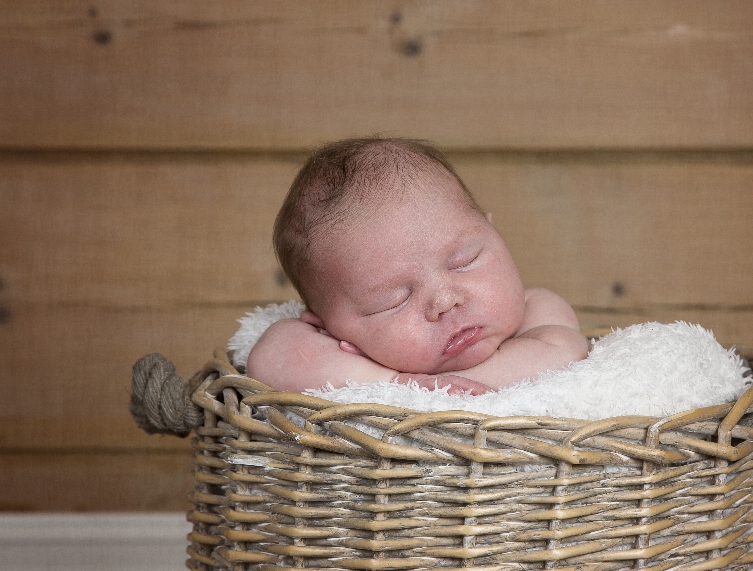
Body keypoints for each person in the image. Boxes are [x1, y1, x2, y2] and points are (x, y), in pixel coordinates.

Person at [246, 138, 589, 395]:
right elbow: (268, 359)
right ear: (329, 330)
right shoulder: (358, 362)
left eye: (464, 262)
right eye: (393, 301)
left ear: (493, 233)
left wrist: (438, 390)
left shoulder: (536, 309)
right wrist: (393, 383)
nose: (445, 301)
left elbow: (562, 354)